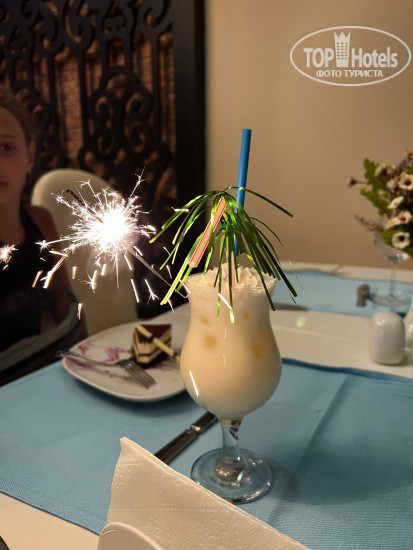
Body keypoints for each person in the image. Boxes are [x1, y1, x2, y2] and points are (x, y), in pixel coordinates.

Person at [0, 87, 85, 382]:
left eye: (6, 147)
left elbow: (64, 305)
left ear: (30, 155)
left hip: (41, 381)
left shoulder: (41, 221)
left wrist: (88, 364)